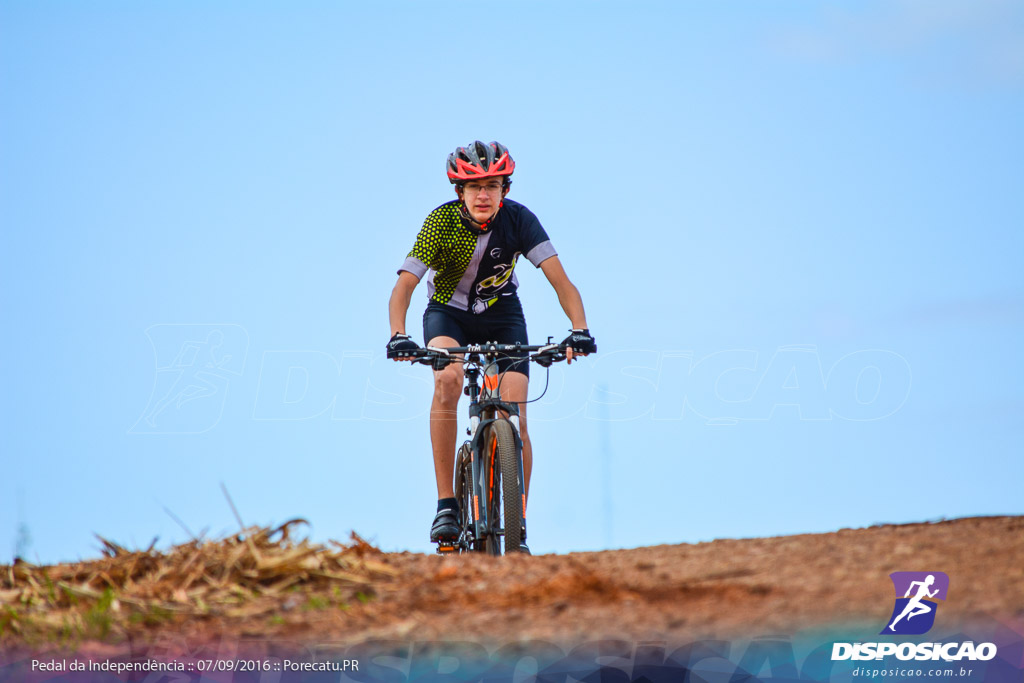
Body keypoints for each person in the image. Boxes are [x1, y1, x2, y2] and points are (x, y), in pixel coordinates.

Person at [386, 140, 596, 552]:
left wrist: (580, 329)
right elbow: (404, 287)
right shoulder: (440, 223)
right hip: (449, 313)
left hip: (502, 315)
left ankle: (517, 527)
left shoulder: (519, 220)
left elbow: (561, 280)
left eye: (493, 186)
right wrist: (398, 333)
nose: (484, 195)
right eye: (474, 187)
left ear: (505, 190)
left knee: (515, 409)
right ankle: (447, 503)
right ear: (459, 192)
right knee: (448, 379)